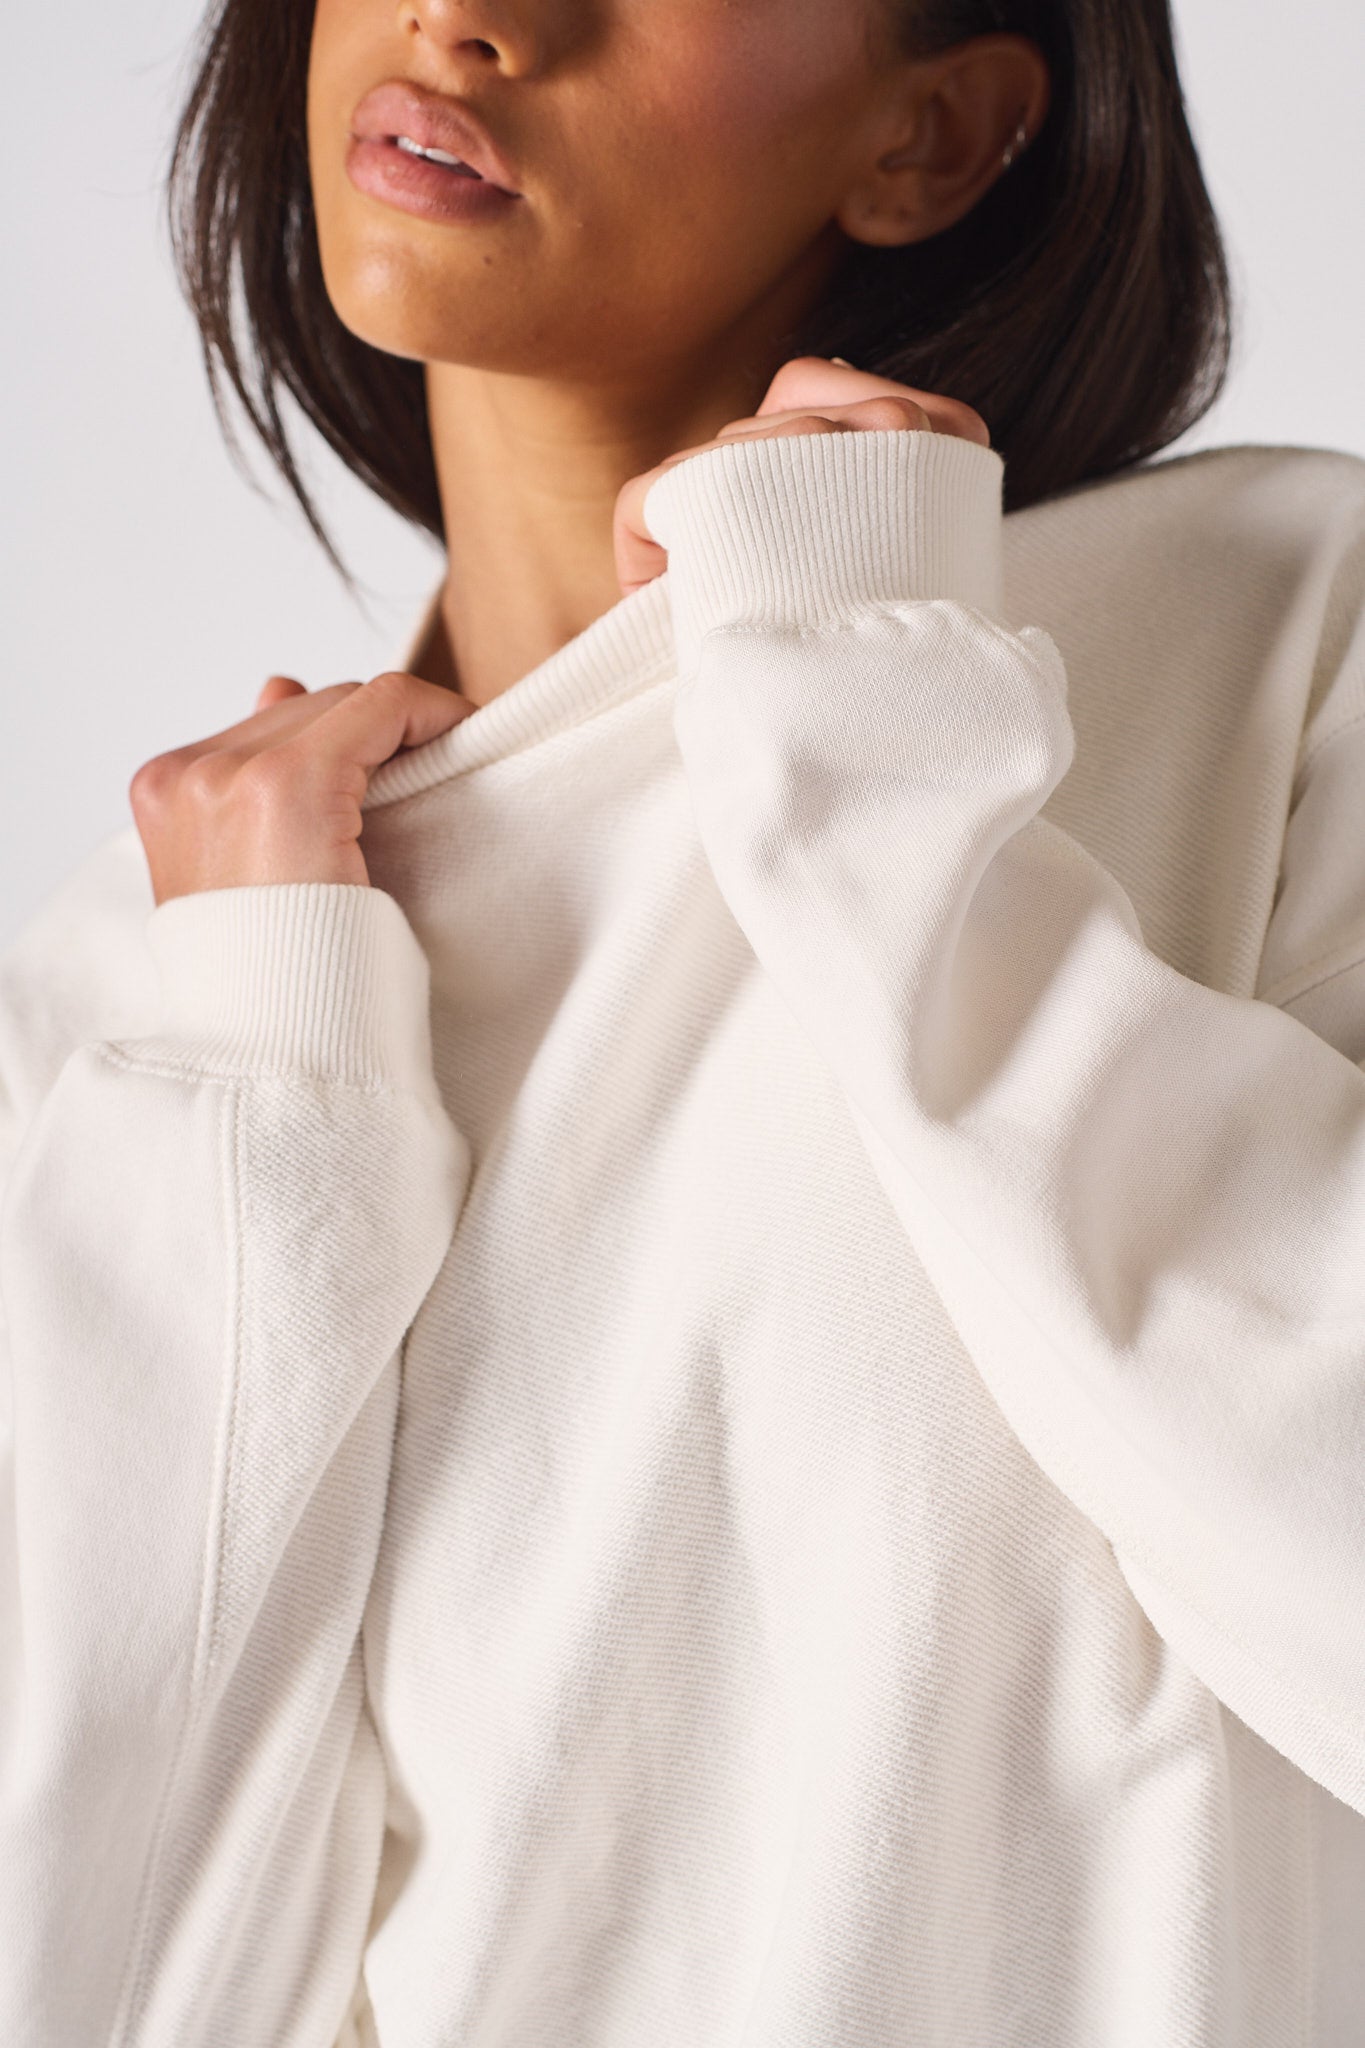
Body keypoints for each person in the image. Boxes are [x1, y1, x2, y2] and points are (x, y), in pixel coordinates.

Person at [2, 0, 1362, 2039]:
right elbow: (119, 1989)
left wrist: (866, 731)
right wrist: (257, 1089)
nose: (474, 15)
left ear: (930, 136)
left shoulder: (1272, 629)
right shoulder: (157, 988)